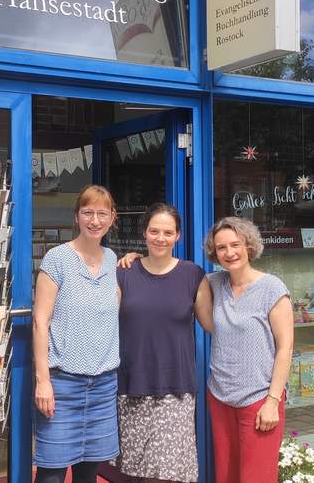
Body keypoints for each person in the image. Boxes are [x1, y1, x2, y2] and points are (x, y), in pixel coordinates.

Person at [195, 217, 294, 483]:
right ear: (214, 252)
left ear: (248, 245)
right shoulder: (213, 283)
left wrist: (273, 400)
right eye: (221, 248)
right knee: (226, 475)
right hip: (220, 396)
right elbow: (174, 275)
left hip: (259, 399)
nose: (229, 253)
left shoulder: (272, 288)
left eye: (235, 244)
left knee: (256, 478)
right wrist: (134, 258)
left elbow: (285, 348)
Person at [33, 185, 120, 483]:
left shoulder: (112, 259)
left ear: (112, 218)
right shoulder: (56, 259)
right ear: (77, 217)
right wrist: (43, 381)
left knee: (88, 473)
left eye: (101, 213)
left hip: (104, 384)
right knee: (51, 474)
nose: (94, 220)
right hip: (62, 383)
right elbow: (39, 322)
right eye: (87, 213)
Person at [114, 203, 205, 482]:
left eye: (168, 232)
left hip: (175, 387)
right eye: (154, 231)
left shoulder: (193, 274)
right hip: (133, 385)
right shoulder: (124, 272)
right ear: (144, 233)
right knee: (137, 471)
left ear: (178, 235)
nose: (160, 238)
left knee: (169, 473)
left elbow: (215, 322)